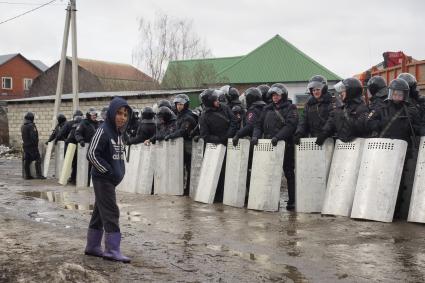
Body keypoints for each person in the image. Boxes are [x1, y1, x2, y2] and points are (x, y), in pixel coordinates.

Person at [85, 97, 132, 263]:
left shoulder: (119, 133)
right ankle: (112, 250)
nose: (122, 117)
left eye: (125, 114)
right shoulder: (103, 130)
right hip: (102, 179)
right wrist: (108, 172)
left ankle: (92, 246)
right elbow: (91, 154)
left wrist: (117, 173)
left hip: (110, 180)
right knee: (111, 212)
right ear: (112, 113)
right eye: (119, 113)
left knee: (99, 213)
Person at [252, 83, 299, 210]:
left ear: (282, 95)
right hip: (269, 146)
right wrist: (256, 136)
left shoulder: (291, 107)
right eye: (273, 95)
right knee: (270, 173)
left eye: (277, 94)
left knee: (288, 173)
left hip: (285, 145)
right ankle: (271, 200)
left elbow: (291, 125)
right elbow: (258, 125)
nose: (275, 97)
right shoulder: (267, 109)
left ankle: (292, 201)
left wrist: (278, 137)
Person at [199, 89, 238, 202]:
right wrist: (220, 140)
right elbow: (205, 135)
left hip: (230, 143)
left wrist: (228, 135)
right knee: (218, 172)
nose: (218, 101)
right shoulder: (204, 116)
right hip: (216, 148)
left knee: (231, 170)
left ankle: (230, 195)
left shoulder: (224, 107)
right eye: (215, 100)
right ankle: (218, 196)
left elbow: (234, 121)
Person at [315, 78, 370, 146]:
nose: (340, 93)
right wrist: (322, 135)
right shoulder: (340, 108)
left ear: (351, 91)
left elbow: (360, 129)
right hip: (341, 148)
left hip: (357, 148)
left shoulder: (362, 108)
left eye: (343, 91)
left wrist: (346, 114)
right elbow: (330, 123)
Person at [165, 94, 198, 195]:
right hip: (180, 145)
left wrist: (170, 136)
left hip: (189, 144)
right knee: (180, 167)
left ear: (186, 105)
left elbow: (183, 131)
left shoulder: (188, 116)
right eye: (177, 104)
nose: (179, 106)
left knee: (189, 167)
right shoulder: (180, 115)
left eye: (181, 104)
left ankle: (188, 189)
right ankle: (180, 188)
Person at [294, 75, 334, 144]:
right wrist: (299, 133)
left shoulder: (331, 102)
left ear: (324, 89)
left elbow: (332, 119)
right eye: (313, 90)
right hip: (313, 139)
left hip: (328, 139)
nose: (315, 92)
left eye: (318, 89)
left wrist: (324, 133)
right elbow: (303, 119)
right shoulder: (309, 104)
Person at [21, 112, 46, 180]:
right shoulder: (31, 126)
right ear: (32, 118)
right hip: (32, 146)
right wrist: (36, 142)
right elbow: (33, 136)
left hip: (25, 146)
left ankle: (27, 175)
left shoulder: (23, 126)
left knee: (27, 160)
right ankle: (39, 175)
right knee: (38, 159)